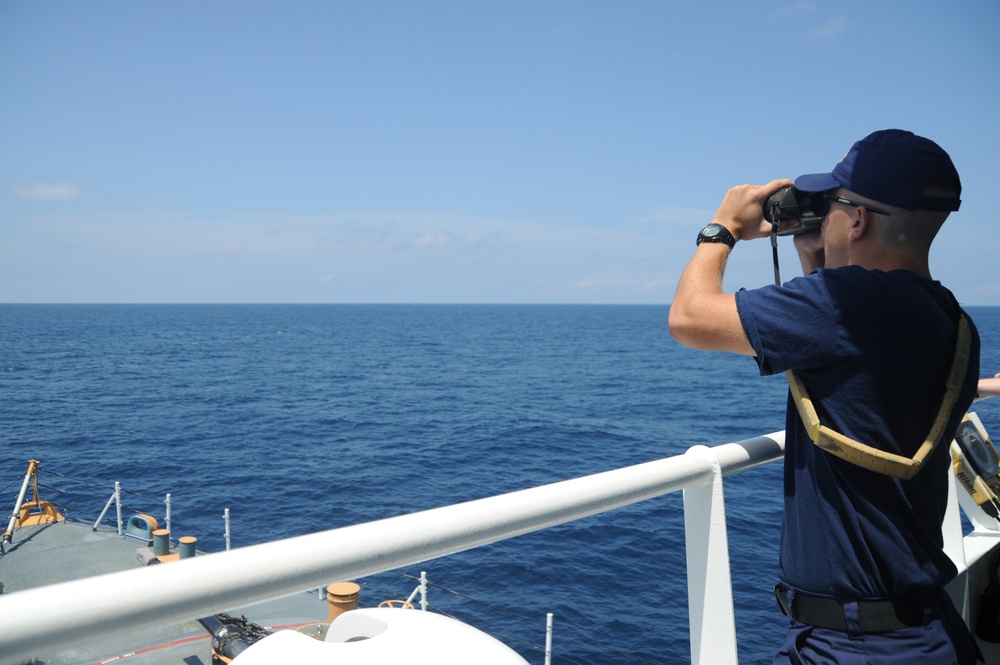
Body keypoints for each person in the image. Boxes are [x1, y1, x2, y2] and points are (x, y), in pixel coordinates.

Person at [669, 129, 982, 664]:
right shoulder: (949, 319)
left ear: (858, 220)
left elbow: (689, 319)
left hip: (856, 645)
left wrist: (719, 230)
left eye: (831, 205)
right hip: (922, 631)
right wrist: (818, 257)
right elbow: (844, 369)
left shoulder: (849, 306)